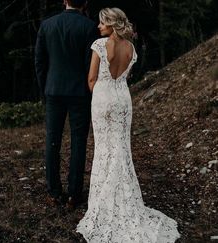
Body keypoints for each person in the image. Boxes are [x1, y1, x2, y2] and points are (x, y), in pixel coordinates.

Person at [76, 7, 180, 242]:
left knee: (103, 150)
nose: (98, 26)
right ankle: (124, 197)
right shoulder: (131, 49)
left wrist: (101, 94)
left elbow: (91, 79)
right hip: (123, 99)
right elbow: (123, 76)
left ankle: (104, 203)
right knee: (122, 150)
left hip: (103, 99)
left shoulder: (99, 45)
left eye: (102, 23)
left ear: (112, 24)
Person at [34, 0, 98, 208]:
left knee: (53, 140)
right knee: (78, 142)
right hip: (80, 93)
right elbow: (91, 65)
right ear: (85, 2)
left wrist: (46, 89)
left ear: (64, 1)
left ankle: (53, 192)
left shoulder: (47, 25)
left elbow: (39, 61)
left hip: (53, 91)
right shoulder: (89, 27)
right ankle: (74, 194)